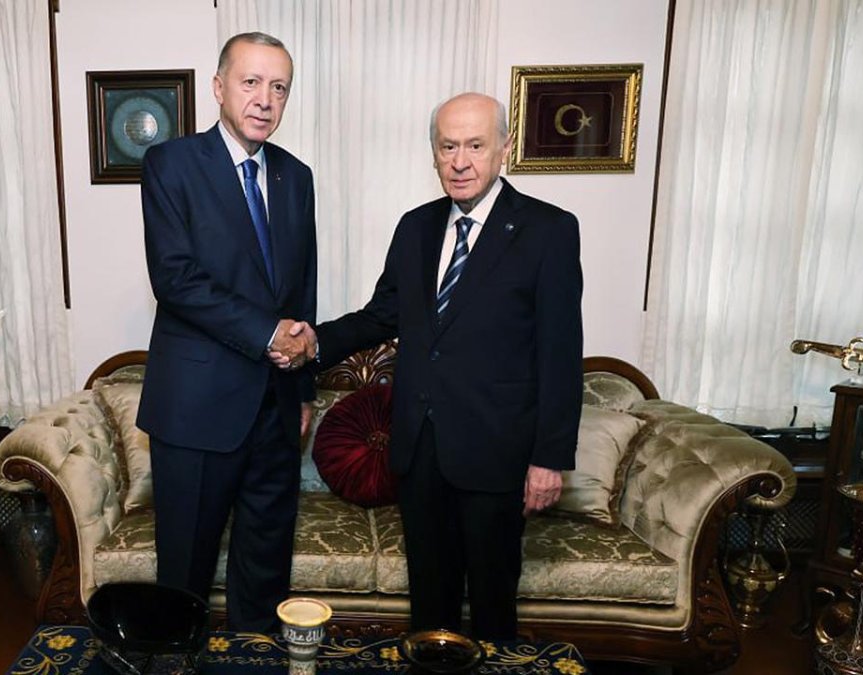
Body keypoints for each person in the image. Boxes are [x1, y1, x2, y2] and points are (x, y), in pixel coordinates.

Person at [279, 92, 582, 639]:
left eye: (475, 146)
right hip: (419, 452)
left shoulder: (548, 231)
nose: (460, 161)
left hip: (496, 454)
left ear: (505, 148)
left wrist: (549, 458)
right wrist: (313, 342)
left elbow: (560, 352)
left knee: (492, 607)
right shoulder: (415, 227)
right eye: (448, 147)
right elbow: (381, 315)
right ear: (434, 153)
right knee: (429, 605)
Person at [137, 31, 318, 633]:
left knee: (265, 575)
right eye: (251, 82)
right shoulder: (171, 165)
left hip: (276, 407)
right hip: (196, 411)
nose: (265, 99)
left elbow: (302, 288)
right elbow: (176, 279)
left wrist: (304, 389)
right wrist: (269, 334)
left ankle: (257, 664)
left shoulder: (297, 176)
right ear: (218, 87)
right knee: (183, 574)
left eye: (279, 87)